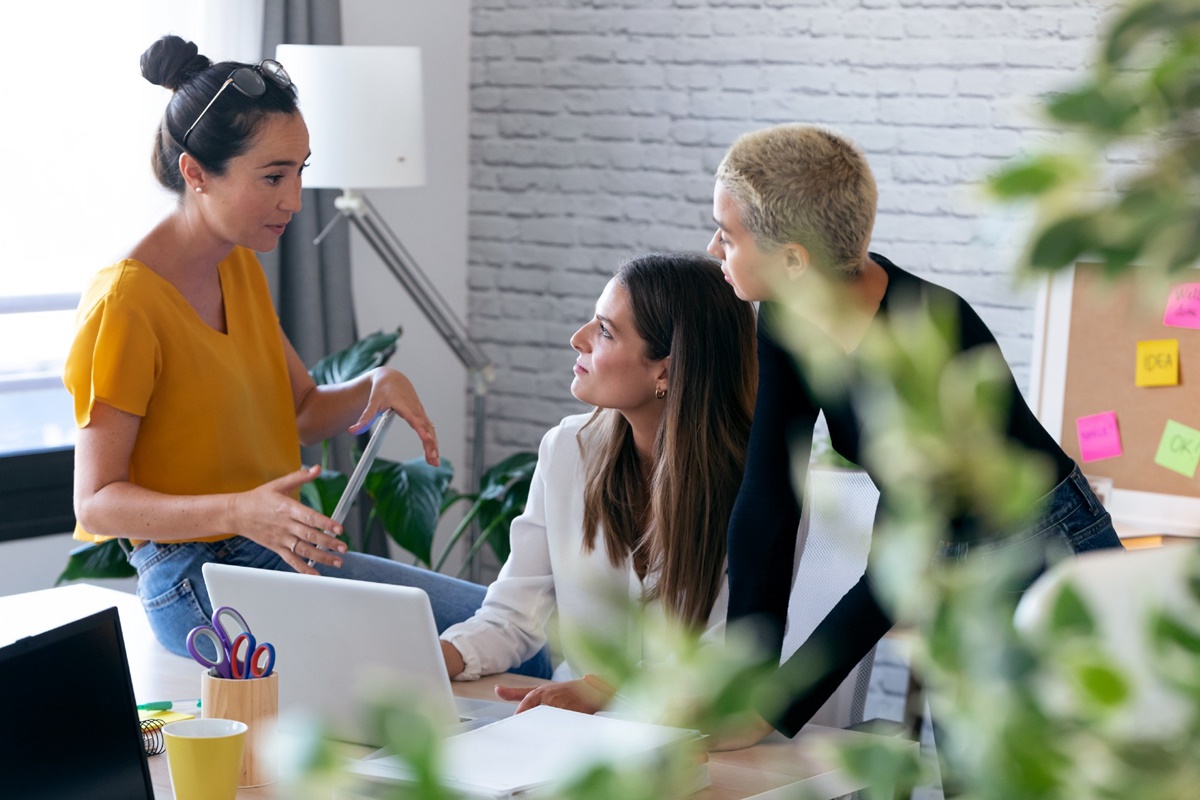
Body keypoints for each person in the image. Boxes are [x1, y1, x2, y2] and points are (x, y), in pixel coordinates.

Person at [63, 35, 540, 676]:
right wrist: (238, 509)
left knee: (516, 641)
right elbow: (95, 502)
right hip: (194, 578)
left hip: (279, 551)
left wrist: (376, 384)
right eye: (272, 176)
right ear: (196, 173)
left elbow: (303, 409)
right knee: (456, 659)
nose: (293, 199)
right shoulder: (125, 303)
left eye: (299, 170)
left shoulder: (238, 266)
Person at [705, 124, 1125, 751]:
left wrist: (774, 708)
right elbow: (768, 496)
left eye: (727, 234)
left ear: (793, 259)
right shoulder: (787, 314)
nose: (713, 247)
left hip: (1044, 553)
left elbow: (894, 573)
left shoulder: (929, 342)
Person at [437, 252, 758, 713]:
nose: (578, 339)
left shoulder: (753, 487)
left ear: (665, 370)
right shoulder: (566, 449)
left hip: (697, 740)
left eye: (605, 331)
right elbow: (513, 615)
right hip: (569, 729)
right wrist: (435, 658)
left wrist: (609, 693)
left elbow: (730, 659)